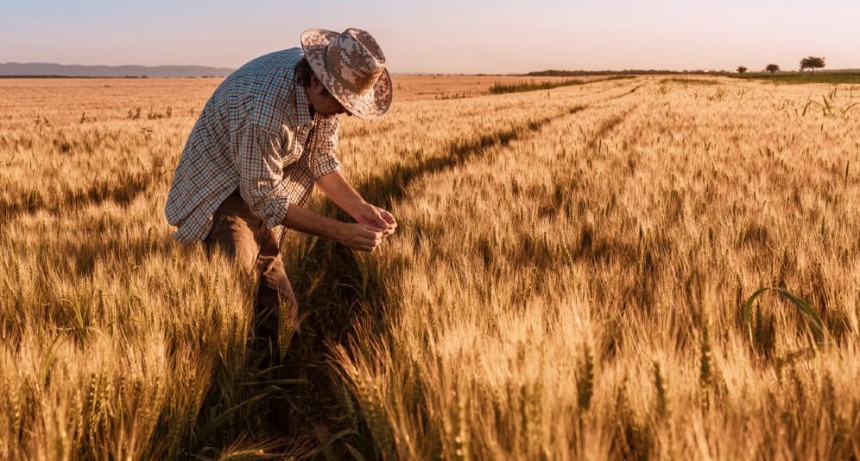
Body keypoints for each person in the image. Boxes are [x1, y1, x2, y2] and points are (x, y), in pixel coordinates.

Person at [164, 28, 396, 356]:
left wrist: (360, 210)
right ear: (317, 83)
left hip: (258, 181)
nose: (345, 112)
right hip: (220, 186)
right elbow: (264, 198)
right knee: (237, 286)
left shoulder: (326, 89)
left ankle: (278, 361)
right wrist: (343, 233)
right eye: (343, 104)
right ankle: (221, 367)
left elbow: (321, 159)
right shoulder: (265, 114)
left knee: (281, 311)